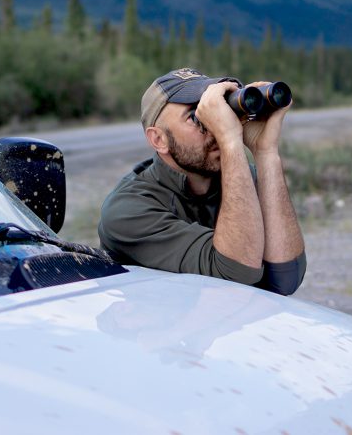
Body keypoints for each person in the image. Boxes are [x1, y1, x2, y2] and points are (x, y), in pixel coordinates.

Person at [97, 67, 306, 295]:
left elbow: (285, 280)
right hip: (167, 329)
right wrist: (230, 141)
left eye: (220, 110)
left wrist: (265, 152)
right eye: (196, 116)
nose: (215, 126)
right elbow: (237, 275)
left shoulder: (243, 179)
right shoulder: (127, 211)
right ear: (158, 139)